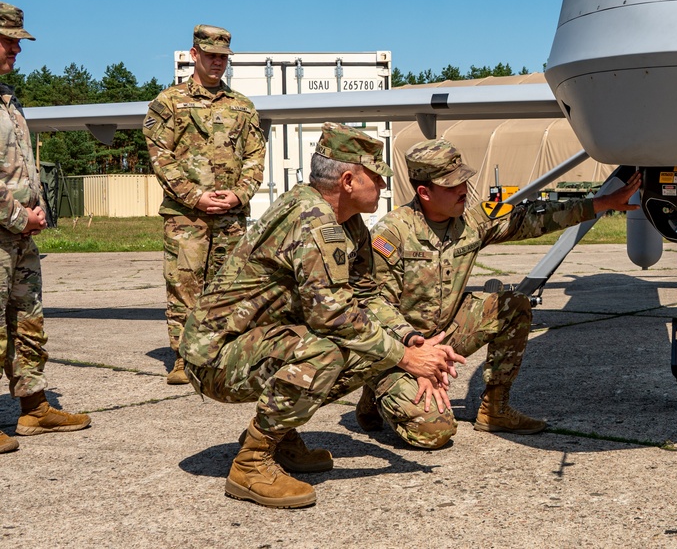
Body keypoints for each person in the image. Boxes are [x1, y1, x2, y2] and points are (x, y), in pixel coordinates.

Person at [180, 123, 465, 508]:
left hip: (255, 340)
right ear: (348, 180)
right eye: (376, 178)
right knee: (328, 350)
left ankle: (282, 436)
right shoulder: (312, 219)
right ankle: (252, 461)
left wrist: (407, 337)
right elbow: (334, 317)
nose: (382, 187)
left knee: (362, 346)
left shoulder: (347, 223)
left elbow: (366, 294)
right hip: (213, 355)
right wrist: (407, 359)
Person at [357, 138, 641, 449]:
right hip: (399, 347)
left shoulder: (471, 221)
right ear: (424, 192)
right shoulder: (391, 235)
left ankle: (495, 410)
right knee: (435, 433)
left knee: (513, 306)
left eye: (463, 180)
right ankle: (376, 389)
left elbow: (534, 218)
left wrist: (602, 203)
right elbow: (374, 309)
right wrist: (415, 360)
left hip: (444, 331)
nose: (463, 189)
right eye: (451, 186)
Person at [143, 25, 266, 384]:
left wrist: (240, 193)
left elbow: (255, 156)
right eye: (210, 55)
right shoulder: (167, 103)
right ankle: (183, 358)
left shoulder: (242, 106)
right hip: (186, 216)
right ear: (194, 54)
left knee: (227, 286)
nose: (217, 62)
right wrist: (193, 195)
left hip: (230, 214)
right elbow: (160, 156)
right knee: (185, 284)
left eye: (223, 57)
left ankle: (219, 354)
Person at [0, 2, 91, 454]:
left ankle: (34, 406)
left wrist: (32, 216)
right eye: (8, 39)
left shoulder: (8, 99)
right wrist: (21, 216)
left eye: (18, 40)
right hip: (5, 231)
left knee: (26, 321)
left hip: (18, 238)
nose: (16, 48)